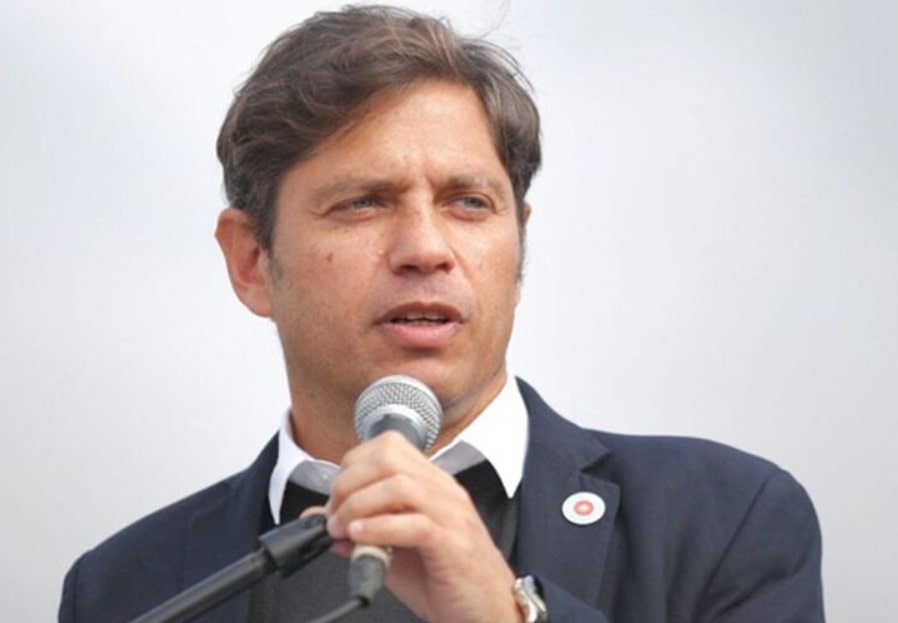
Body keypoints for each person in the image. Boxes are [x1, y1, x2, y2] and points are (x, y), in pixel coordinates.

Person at [58, 6, 825, 623]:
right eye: (364, 202)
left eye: (468, 203)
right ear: (252, 261)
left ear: (518, 246)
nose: (426, 248)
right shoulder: (122, 587)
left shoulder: (723, 519)